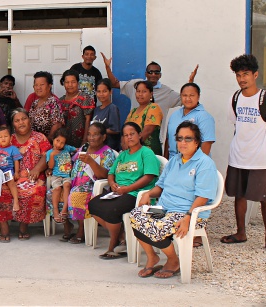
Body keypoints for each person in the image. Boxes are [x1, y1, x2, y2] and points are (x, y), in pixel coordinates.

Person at [130, 122, 217, 278]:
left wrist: (188, 216)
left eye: (188, 139)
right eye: (180, 138)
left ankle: (173, 260)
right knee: (136, 216)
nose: (183, 143)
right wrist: (148, 194)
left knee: (158, 225)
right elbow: (160, 186)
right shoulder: (174, 160)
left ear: (197, 141)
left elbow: (203, 196)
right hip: (165, 209)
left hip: (187, 213)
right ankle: (153, 257)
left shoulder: (204, 164)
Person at [221, 54, 266, 255]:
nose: (241, 79)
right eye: (238, 75)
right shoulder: (235, 98)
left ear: (255, 75)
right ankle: (241, 232)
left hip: (261, 160)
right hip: (238, 157)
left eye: (245, 74)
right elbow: (236, 124)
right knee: (239, 195)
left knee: (265, 199)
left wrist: (260, 145)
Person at [88, 122, 159, 259]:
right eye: (125, 135)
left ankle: (113, 244)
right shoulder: (123, 155)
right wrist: (112, 183)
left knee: (111, 210)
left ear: (139, 135)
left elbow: (149, 176)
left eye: (132, 134)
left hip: (136, 193)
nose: (129, 137)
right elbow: (111, 173)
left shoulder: (146, 152)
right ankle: (121, 234)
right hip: (118, 192)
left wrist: (128, 189)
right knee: (93, 205)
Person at [101, 53, 198, 145]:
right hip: (131, 143)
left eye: (156, 72)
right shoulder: (135, 85)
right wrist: (107, 68)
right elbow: (114, 84)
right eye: (150, 72)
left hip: (152, 143)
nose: (153, 74)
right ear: (145, 74)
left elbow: (186, 100)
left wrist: (190, 83)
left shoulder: (167, 93)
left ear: (160, 75)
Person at [49, 122, 116, 243]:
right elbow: (70, 159)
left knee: (76, 195)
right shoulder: (84, 147)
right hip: (72, 182)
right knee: (51, 193)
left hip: (92, 187)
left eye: (95, 135)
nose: (91, 137)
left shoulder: (107, 152)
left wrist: (91, 162)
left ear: (103, 137)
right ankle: (67, 225)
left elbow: (105, 175)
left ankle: (81, 229)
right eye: (89, 134)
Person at [0, 108, 51, 242]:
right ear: (13, 124)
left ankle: (23, 226)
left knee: (33, 191)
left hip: (32, 176)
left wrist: (37, 169)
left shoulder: (39, 137)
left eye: (23, 119)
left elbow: (47, 155)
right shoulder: (8, 138)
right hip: (10, 177)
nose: (21, 122)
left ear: (29, 120)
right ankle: (4, 227)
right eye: (17, 120)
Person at [164, 83, 215, 160]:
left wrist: (194, 164)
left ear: (198, 97)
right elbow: (168, 140)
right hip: (173, 162)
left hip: (192, 163)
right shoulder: (174, 115)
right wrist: (166, 161)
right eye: (185, 95)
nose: (188, 99)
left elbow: (206, 144)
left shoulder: (204, 117)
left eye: (192, 95)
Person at [46, 128, 77, 223]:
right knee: (57, 188)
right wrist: (52, 156)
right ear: (53, 139)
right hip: (56, 176)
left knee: (67, 186)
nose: (59, 144)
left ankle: (64, 209)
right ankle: (55, 210)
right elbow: (50, 166)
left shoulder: (67, 148)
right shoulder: (49, 153)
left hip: (67, 175)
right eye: (57, 141)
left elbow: (76, 150)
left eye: (62, 143)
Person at [124, 81, 163, 155]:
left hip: (148, 152)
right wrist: (124, 145)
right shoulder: (133, 111)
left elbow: (147, 131)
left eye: (144, 91)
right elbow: (125, 131)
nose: (140, 94)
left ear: (151, 94)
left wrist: (133, 147)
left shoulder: (154, 108)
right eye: (138, 91)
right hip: (131, 151)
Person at [23, 71, 65, 140]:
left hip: (47, 144)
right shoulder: (35, 103)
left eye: (42, 85)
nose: (38, 88)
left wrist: (45, 143)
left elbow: (57, 125)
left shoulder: (54, 102)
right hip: (33, 143)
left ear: (49, 85)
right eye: (36, 85)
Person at [59, 69, 95, 147]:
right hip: (63, 144)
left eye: (73, 82)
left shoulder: (84, 98)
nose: (70, 85)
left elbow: (88, 120)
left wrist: (85, 140)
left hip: (81, 142)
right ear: (63, 84)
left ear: (78, 83)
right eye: (67, 82)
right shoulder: (60, 101)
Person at [91, 79, 121, 150]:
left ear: (110, 92)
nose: (101, 94)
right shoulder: (96, 110)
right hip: (97, 148)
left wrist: (98, 131)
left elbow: (115, 130)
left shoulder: (112, 108)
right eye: (99, 91)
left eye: (104, 91)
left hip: (109, 148)